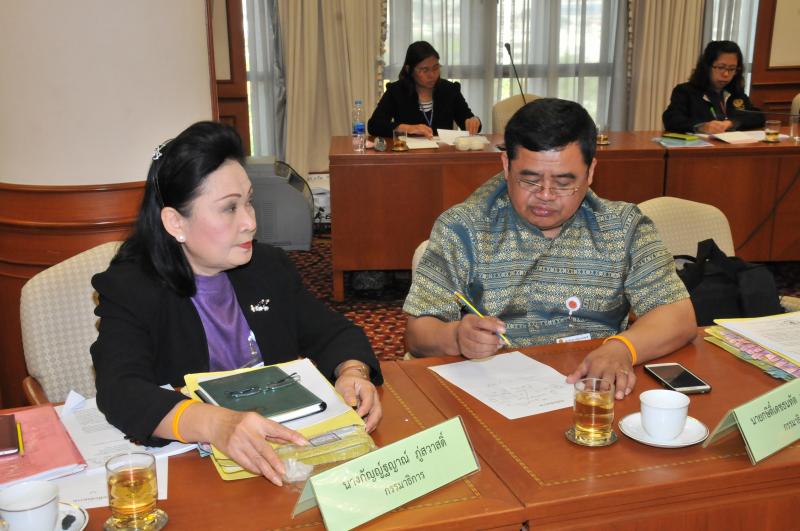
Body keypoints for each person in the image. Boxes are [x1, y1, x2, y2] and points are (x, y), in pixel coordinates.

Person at [91, 121, 383, 486]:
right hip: (195, 476)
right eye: (229, 208)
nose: (249, 222)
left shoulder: (268, 268)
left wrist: (353, 372)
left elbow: (334, 333)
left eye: (248, 202)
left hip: (282, 459)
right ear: (175, 222)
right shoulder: (132, 287)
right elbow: (121, 389)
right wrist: (215, 423)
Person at [404, 98, 697, 399]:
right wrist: (455, 337)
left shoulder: (624, 226)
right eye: (529, 180)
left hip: (593, 391)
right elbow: (418, 332)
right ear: (506, 165)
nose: (545, 195)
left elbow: (678, 314)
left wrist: (623, 348)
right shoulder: (463, 228)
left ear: (590, 172)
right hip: (495, 393)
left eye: (563, 183)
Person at [367, 40, 481, 138]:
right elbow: (374, 125)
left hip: (443, 153)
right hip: (409, 154)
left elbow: (468, 120)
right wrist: (406, 128)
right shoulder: (396, 91)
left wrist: (474, 121)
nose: (432, 75)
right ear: (409, 70)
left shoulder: (450, 90)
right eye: (425, 70)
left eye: (435, 68)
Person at [662, 40, 764, 134]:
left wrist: (731, 123)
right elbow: (671, 120)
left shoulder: (736, 93)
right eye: (721, 67)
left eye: (732, 69)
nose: (726, 74)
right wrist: (701, 127)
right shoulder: (685, 91)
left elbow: (758, 116)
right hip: (701, 146)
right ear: (707, 67)